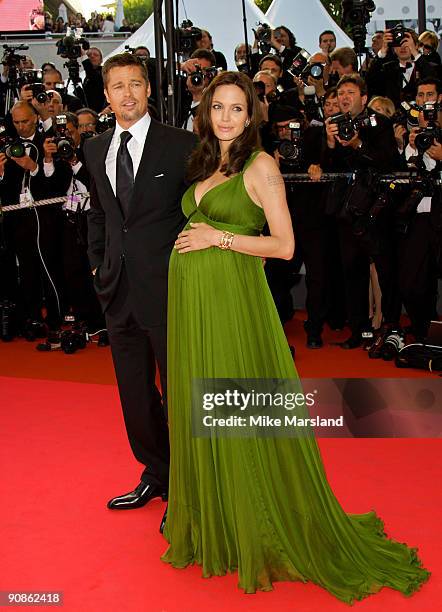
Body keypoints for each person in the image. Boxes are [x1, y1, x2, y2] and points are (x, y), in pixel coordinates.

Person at [160, 71, 429, 602]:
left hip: (234, 303)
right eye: (219, 108)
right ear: (206, 112)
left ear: (252, 115)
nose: (227, 118)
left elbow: (284, 246)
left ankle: (254, 520)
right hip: (193, 301)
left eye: (238, 109)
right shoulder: (204, 161)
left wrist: (219, 236)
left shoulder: (261, 166)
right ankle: (218, 519)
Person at [84, 53, 197, 510]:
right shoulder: (95, 149)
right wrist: (97, 265)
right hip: (117, 288)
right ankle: (158, 472)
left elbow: (199, 207)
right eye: (117, 87)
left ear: (148, 89)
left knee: (180, 389)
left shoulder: (181, 144)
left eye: (135, 84)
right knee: (134, 392)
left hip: (170, 285)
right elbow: (99, 212)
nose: (127, 94)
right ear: (106, 96)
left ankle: (191, 487)